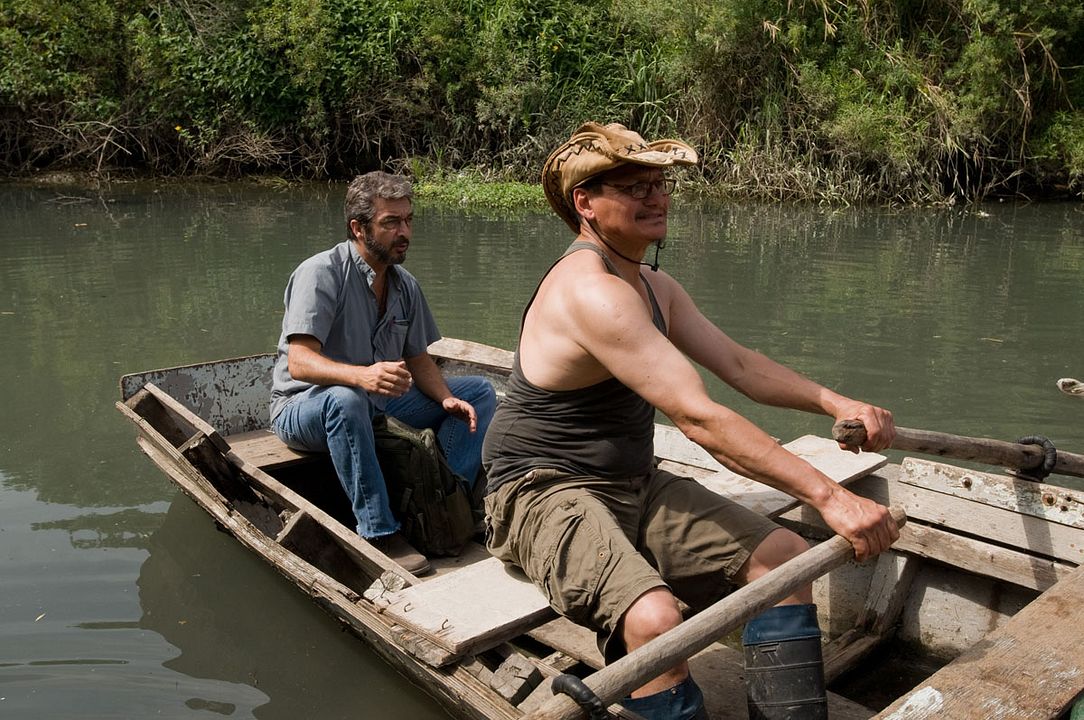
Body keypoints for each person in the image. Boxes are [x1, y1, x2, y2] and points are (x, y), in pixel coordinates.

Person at [481, 123, 899, 719]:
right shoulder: (589, 291)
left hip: (633, 481)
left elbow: (739, 365)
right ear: (586, 205)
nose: (655, 198)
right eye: (632, 187)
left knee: (780, 560)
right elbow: (698, 417)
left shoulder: (654, 284)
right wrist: (829, 495)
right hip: (541, 489)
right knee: (655, 619)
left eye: (658, 183)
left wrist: (836, 402)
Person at [270, 171, 496, 576]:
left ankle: (444, 502)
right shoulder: (321, 273)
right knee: (346, 398)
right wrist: (361, 376)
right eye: (391, 222)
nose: (404, 231)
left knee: (478, 392)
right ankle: (379, 530)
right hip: (304, 408)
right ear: (359, 228)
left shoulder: (404, 285)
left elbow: (419, 360)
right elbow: (299, 362)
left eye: (408, 220)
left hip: (376, 404)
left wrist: (445, 397)